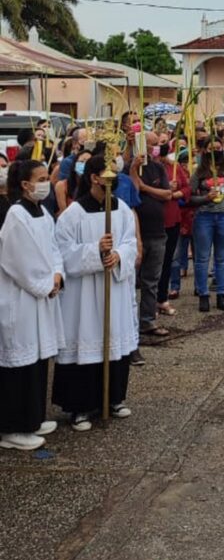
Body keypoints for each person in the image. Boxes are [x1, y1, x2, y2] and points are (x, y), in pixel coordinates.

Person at [52, 153, 138, 431]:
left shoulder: (121, 209)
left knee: (113, 337)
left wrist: (118, 256)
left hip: (113, 286)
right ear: (94, 178)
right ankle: (80, 407)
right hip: (84, 294)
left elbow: (130, 243)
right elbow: (62, 254)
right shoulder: (73, 215)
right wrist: (95, 252)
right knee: (86, 339)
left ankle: (113, 399)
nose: (114, 178)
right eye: (108, 174)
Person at [0, 158, 65, 450]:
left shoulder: (41, 210)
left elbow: (54, 248)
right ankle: (13, 428)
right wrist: (45, 283)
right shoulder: (16, 215)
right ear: (25, 184)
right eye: (39, 179)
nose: (45, 184)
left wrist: (57, 274)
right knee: (20, 365)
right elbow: (17, 260)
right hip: (22, 298)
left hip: (42, 295)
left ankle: (34, 418)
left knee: (38, 361)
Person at [189, 139, 224, 312]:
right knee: (202, 258)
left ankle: (222, 294)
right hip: (204, 217)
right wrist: (205, 198)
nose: (215, 151)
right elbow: (189, 197)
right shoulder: (199, 171)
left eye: (218, 148)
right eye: (211, 148)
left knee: (222, 258)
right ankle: (203, 294)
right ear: (204, 151)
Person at [130, 141, 174, 340]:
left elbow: (167, 194)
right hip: (134, 235)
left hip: (157, 232)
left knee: (151, 281)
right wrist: (133, 171)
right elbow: (133, 193)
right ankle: (128, 321)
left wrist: (145, 187)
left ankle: (147, 320)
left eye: (156, 144)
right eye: (150, 143)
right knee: (130, 281)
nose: (154, 147)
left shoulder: (158, 168)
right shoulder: (127, 167)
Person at [157, 144, 192, 313]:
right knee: (152, 264)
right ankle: (149, 303)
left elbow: (187, 188)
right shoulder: (145, 167)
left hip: (172, 219)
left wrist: (175, 194)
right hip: (153, 221)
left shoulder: (175, 167)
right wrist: (164, 191)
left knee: (168, 260)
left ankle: (162, 299)